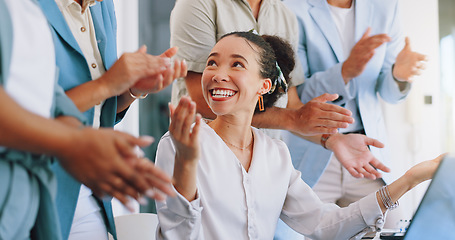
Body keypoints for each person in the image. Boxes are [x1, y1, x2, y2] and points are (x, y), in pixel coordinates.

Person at [154, 31, 441, 239]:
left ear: (264, 85)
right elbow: (177, 235)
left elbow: (323, 225)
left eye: (236, 64)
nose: (217, 73)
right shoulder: (178, 146)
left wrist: (411, 179)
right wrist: (187, 164)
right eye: (212, 63)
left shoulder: (275, 155)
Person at [0, 0, 174, 239]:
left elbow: (53, 103)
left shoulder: (30, 13)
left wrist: (129, 91)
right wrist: (74, 143)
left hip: (65, 190)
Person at [282, 0, 427, 231]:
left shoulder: (385, 7)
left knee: (392, 228)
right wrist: (344, 72)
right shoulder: (291, 7)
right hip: (313, 148)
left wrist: (399, 75)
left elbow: (387, 93)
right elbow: (297, 96)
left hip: (366, 152)